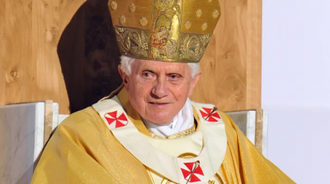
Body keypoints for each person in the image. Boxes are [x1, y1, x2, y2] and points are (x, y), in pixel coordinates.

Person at [32, 0, 295, 183]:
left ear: (193, 82)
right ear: (125, 76)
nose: (160, 90)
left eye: (174, 77)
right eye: (148, 74)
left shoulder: (221, 129)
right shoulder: (83, 135)